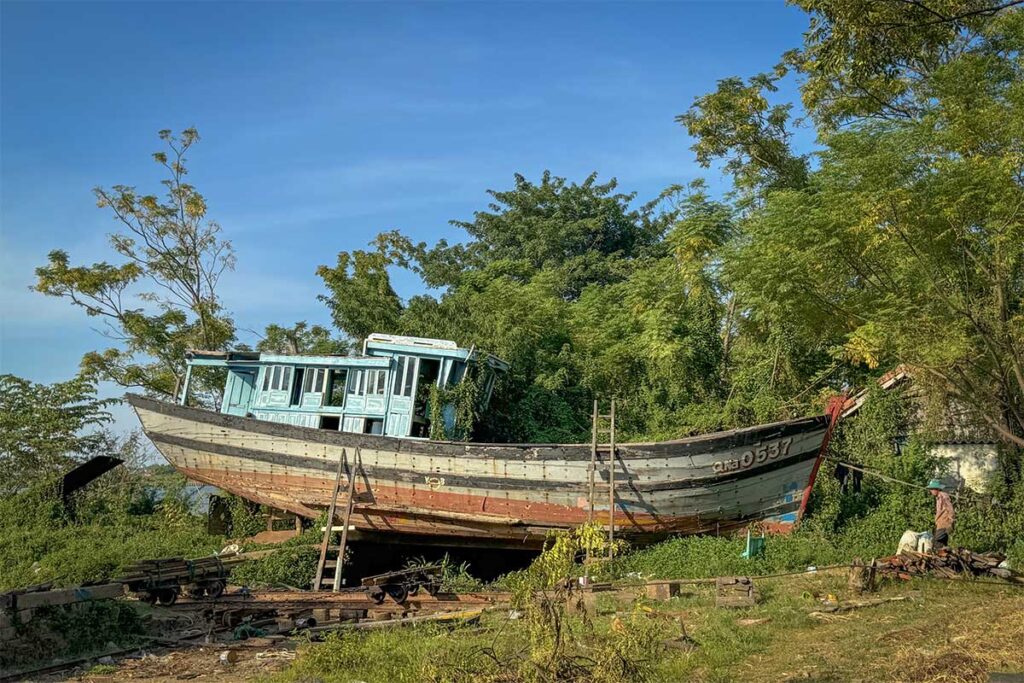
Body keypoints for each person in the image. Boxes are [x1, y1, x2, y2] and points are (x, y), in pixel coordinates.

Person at [926, 479, 954, 551]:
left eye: (932, 489)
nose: (931, 491)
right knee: (942, 542)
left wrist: (951, 521)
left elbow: (950, 509)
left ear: (937, 489)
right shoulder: (938, 497)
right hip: (940, 523)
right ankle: (945, 557)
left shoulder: (943, 496)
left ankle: (944, 552)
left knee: (935, 541)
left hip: (944, 523)